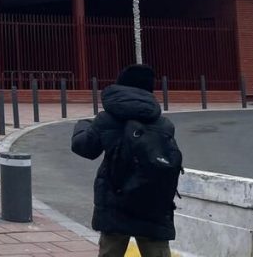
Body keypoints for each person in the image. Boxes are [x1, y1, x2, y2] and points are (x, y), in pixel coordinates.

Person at [71, 65, 181, 257]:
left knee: (110, 252)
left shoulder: (107, 119)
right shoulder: (163, 124)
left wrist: (82, 126)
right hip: (153, 203)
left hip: (114, 200)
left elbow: (84, 148)